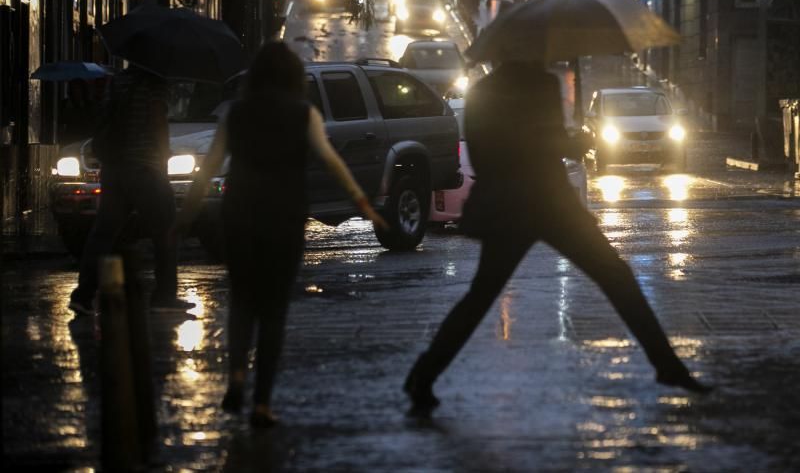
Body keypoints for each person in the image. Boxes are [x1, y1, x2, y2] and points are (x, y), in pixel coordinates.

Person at [403, 60, 711, 415]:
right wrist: (576, 142)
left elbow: (490, 151)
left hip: (512, 208)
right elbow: (544, 145)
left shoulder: (483, 91)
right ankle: (668, 367)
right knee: (616, 277)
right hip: (549, 205)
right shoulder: (541, 84)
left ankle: (423, 376)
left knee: (481, 296)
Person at [176, 42, 387, 427]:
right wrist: (363, 203)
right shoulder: (303, 113)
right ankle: (262, 404)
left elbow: (207, 169)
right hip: (284, 217)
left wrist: (185, 216)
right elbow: (331, 160)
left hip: (239, 214)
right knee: (273, 311)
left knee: (242, 302)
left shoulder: (234, 114)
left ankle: (237, 376)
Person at [68, 66, 192, 316]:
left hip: (115, 169)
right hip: (145, 168)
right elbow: (158, 119)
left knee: (103, 234)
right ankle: (165, 296)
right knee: (166, 230)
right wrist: (163, 152)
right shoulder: (155, 83)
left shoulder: (118, 82)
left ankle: (83, 295)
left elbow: (103, 117)